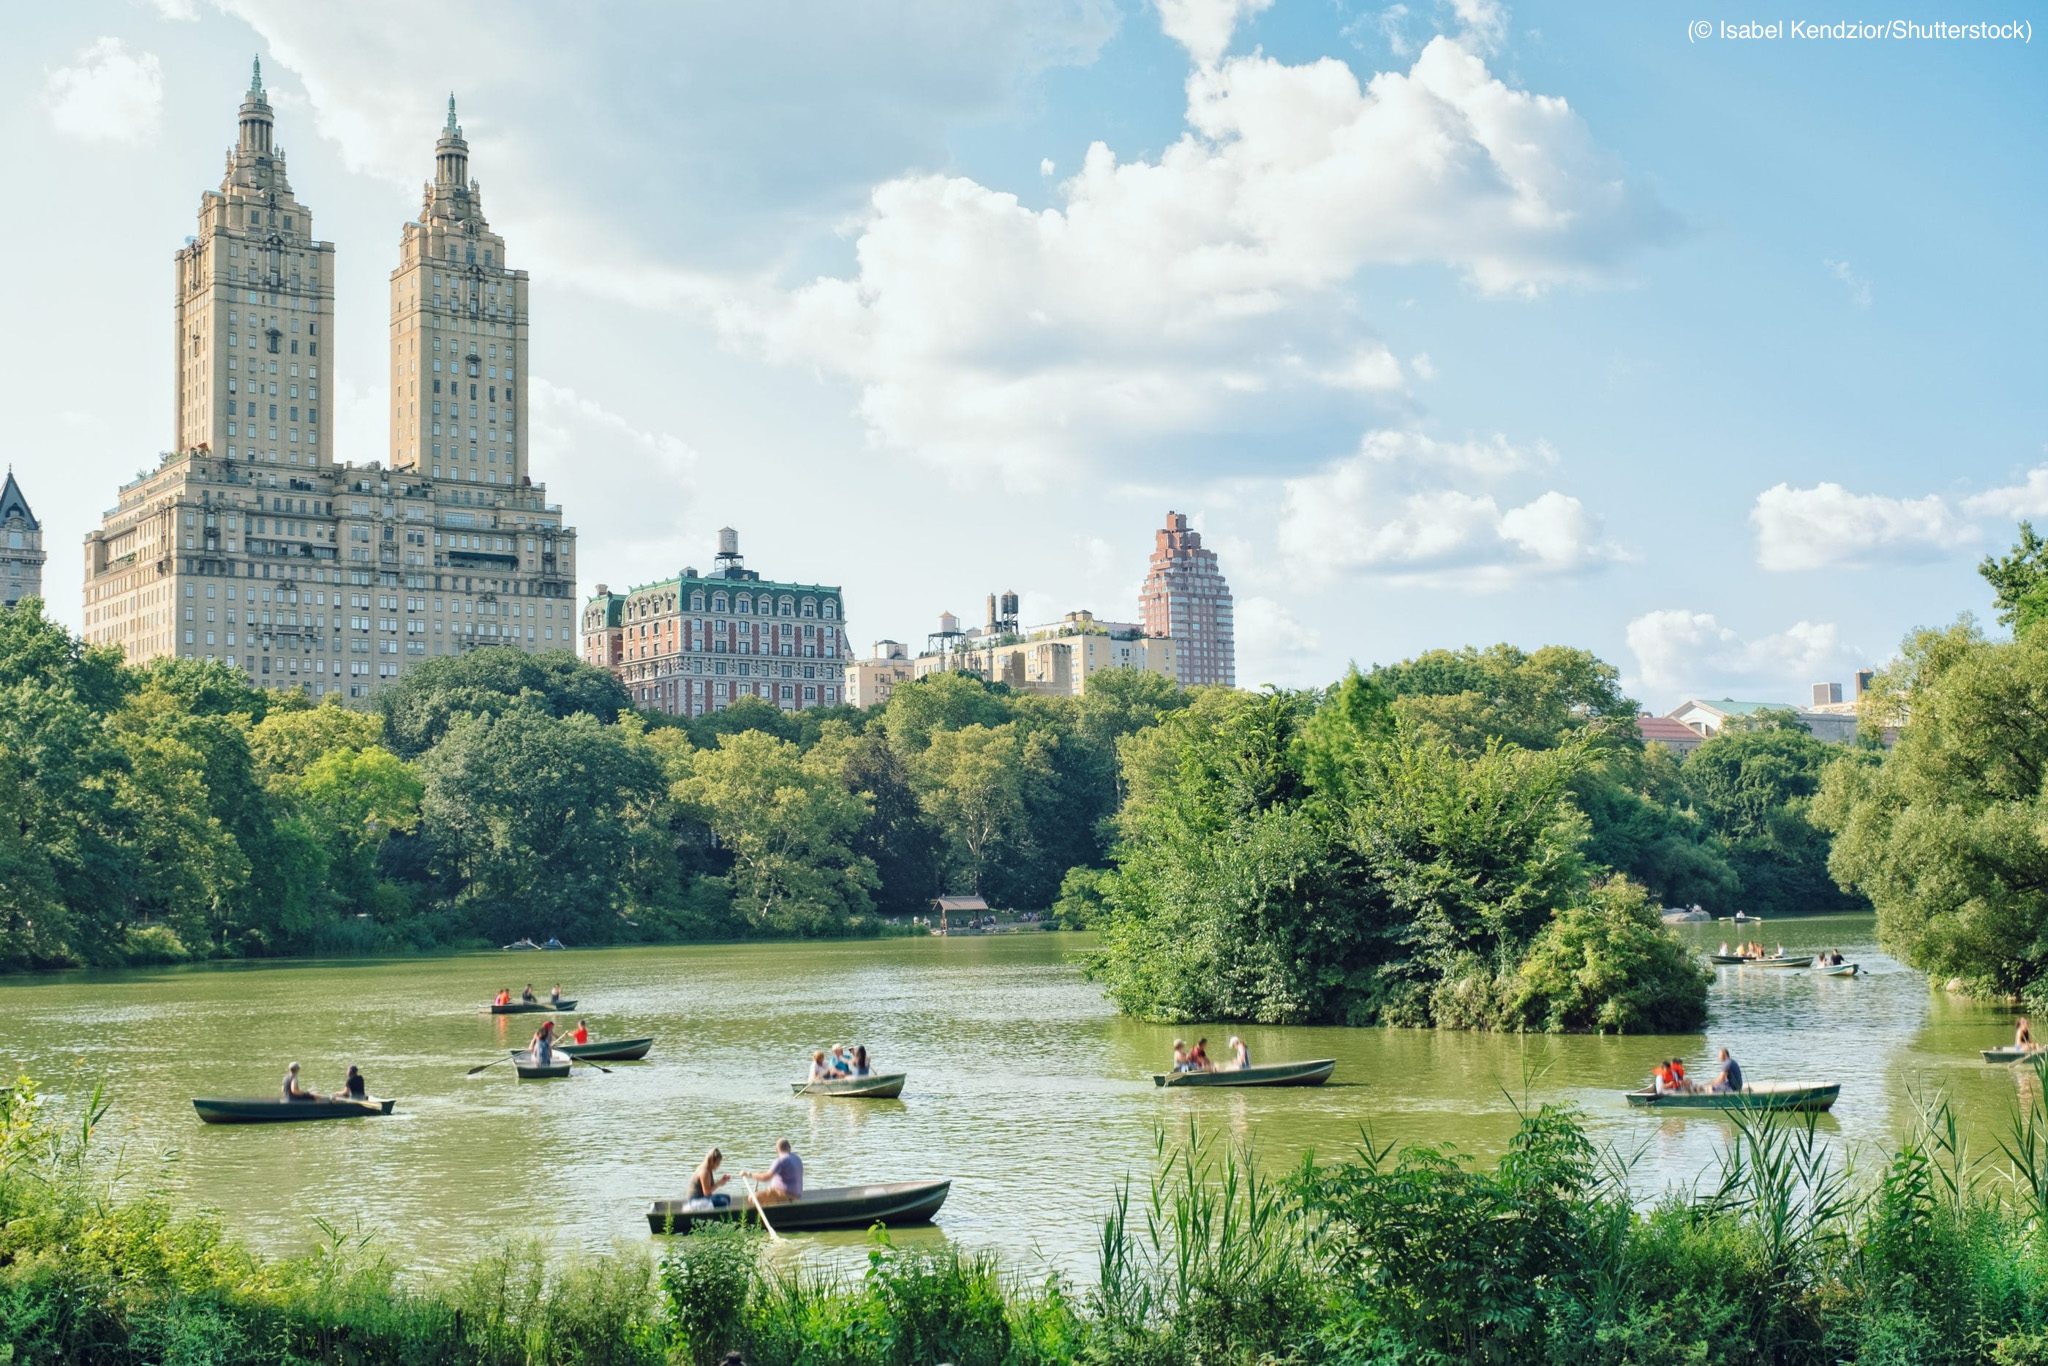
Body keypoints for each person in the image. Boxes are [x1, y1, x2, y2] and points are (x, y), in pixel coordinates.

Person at [745, 1138, 803, 1206]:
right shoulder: (797, 1158)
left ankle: (766, 1214)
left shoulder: (781, 1160)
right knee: (766, 1194)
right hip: (796, 1196)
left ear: (776, 1149)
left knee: (752, 1197)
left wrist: (749, 1174)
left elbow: (765, 1178)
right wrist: (758, 1175)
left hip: (783, 1195)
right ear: (789, 1148)